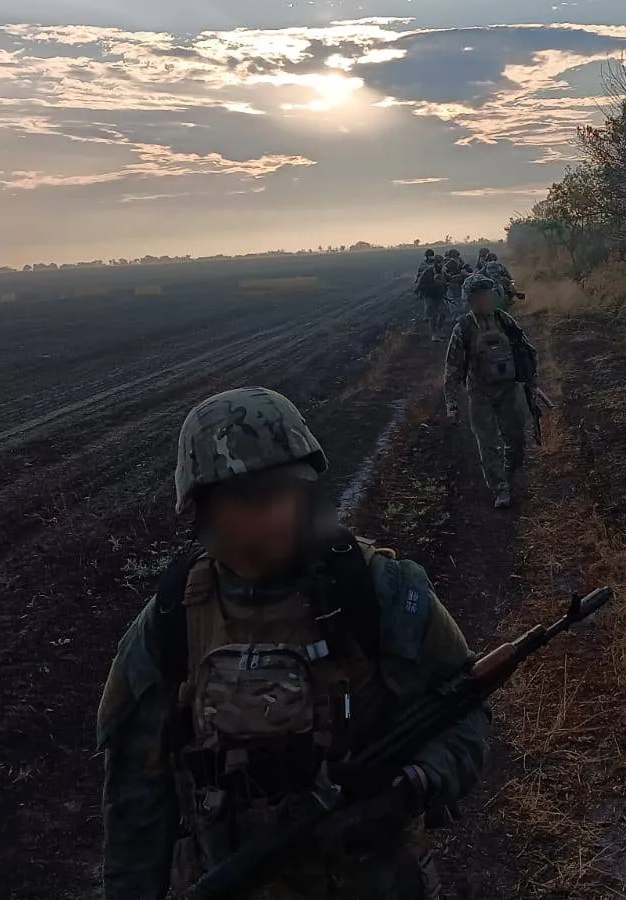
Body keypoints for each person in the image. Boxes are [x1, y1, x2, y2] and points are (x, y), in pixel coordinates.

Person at [98, 387, 489, 900]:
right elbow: (136, 795)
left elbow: (465, 711)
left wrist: (413, 782)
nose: (278, 512)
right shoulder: (172, 620)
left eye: (287, 489)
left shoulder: (376, 591)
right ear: (203, 505)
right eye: (252, 497)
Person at [443, 275, 539, 508]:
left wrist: (531, 378)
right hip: (479, 393)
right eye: (481, 297)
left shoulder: (504, 320)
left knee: (516, 440)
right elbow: (452, 367)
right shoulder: (463, 328)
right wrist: (452, 404)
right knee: (488, 443)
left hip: (507, 390)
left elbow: (525, 349)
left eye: (488, 295)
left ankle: (508, 475)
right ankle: (500, 489)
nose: (486, 300)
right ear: (471, 300)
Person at [414, 256, 448, 340]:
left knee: (443, 313)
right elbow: (420, 284)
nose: (442, 264)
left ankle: (439, 330)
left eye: (442, 263)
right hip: (429, 295)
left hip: (439, 295)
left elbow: (446, 280)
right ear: (436, 263)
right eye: (440, 263)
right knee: (433, 315)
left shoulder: (443, 271)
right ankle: (434, 334)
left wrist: (444, 286)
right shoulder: (428, 272)